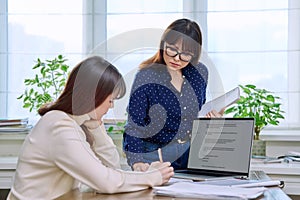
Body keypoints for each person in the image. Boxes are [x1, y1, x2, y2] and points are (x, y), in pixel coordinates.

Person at [7, 56, 174, 200]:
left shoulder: (76, 123)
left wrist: (95, 125)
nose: (110, 107)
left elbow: (112, 167)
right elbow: (105, 182)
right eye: (110, 100)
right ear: (94, 96)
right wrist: (153, 177)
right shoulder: (58, 125)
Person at [123, 18, 223, 172]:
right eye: (172, 50)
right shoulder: (146, 76)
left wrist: (210, 120)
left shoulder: (200, 73)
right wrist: (137, 163)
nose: (177, 58)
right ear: (163, 45)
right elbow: (134, 126)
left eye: (186, 54)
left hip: (190, 155)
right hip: (156, 157)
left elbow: (195, 116)